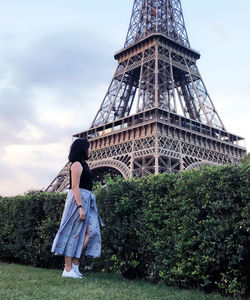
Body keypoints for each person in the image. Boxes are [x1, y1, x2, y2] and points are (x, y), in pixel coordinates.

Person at [51, 138, 104, 278]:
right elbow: (74, 187)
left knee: (91, 233)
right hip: (78, 201)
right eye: (88, 148)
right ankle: (67, 269)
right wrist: (80, 206)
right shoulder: (76, 165)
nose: (90, 150)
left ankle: (75, 264)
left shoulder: (84, 164)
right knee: (72, 234)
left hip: (88, 200)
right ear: (82, 149)